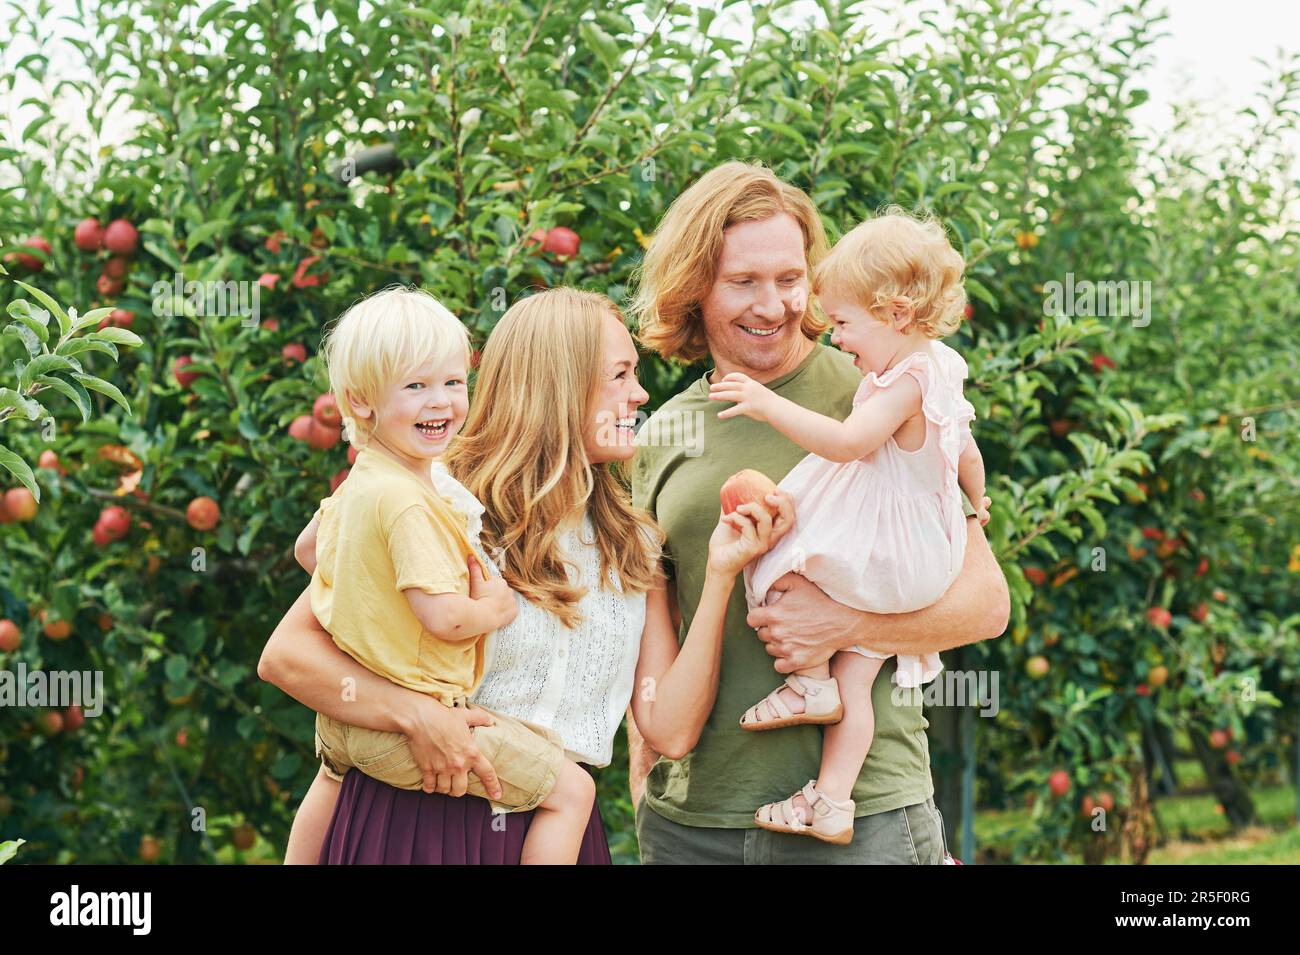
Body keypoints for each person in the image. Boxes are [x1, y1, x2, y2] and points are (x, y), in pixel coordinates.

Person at [259, 287, 792, 863]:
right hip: (415, 817)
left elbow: (670, 729)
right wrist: (418, 715)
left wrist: (720, 574)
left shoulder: (632, 544)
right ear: (559, 385)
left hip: (556, 834)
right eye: (619, 375)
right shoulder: (435, 501)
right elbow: (287, 656)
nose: (639, 395)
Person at [628, 160, 1009, 863]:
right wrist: (644, 780)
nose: (771, 305)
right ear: (694, 283)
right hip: (692, 826)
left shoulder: (880, 391)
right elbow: (651, 634)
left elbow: (986, 605)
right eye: (743, 282)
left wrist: (849, 624)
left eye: (789, 278)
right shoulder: (659, 437)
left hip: (862, 820)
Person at [706, 209, 990, 845]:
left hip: (899, 555)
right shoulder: (939, 367)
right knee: (855, 683)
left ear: (894, 313)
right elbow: (964, 447)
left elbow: (846, 443)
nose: (836, 338)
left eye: (843, 323)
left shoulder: (906, 380)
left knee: (783, 554)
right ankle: (831, 803)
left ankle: (807, 681)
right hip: (924, 555)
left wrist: (766, 401)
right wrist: (978, 495)